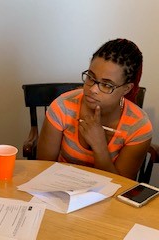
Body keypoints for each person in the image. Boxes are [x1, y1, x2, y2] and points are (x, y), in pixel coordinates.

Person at [37, 38, 152, 180]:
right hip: (59, 190)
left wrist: (100, 147)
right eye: (90, 77)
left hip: (110, 200)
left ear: (126, 89)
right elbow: (43, 168)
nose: (92, 89)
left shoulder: (138, 127)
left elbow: (122, 187)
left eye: (107, 85)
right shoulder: (63, 107)